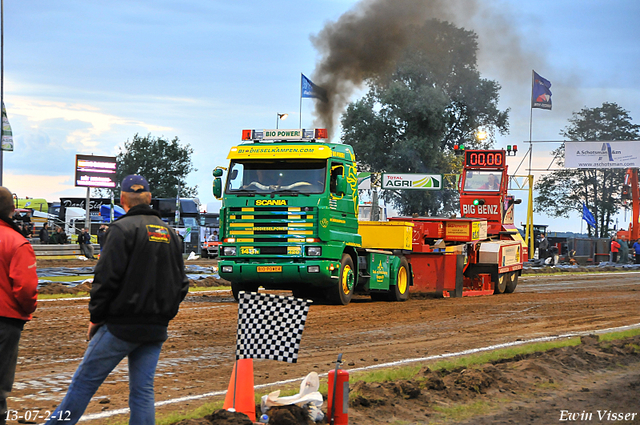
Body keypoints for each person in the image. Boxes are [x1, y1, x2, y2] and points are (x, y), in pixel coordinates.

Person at [46, 175, 189, 425]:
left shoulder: (121, 229)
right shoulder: (170, 234)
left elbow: (105, 279)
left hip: (121, 325)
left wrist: (96, 318)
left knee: (83, 384)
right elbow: (183, 284)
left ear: (123, 200)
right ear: (149, 199)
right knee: (143, 392)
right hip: (155, 328)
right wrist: (163, 314)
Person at [0, 186, 38, 424]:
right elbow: (25, 288)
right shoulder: (17, 242)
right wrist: (26, 310)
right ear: (12, 210)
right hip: (5, 321)